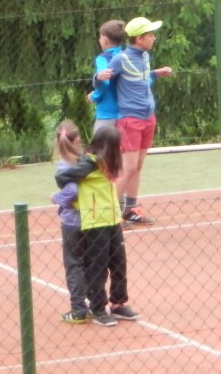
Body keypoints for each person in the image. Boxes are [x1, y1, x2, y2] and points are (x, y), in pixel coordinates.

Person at [54, 125, 140, 326]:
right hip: (95, 221)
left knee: (119, 263)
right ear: (108, 146)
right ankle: (98, 308)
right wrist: (63, 194)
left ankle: (118, 303)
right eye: (117, 145)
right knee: (98, 267)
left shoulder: (108, 162)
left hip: (112, 219)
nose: (120, 148)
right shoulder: (89, 162)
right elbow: (61, 177)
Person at [95, 15, 172, 226]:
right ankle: (110, 214)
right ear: (139, 39)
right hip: (130, 120)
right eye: (150, 35)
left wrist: (156, 73)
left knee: (137, 167)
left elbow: (140, 78)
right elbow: (104, 80)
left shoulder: (144, 57)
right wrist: (96, 80)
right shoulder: (120, 59)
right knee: (128, 168)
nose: (154, 38)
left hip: (148, 118)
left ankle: (130, 210)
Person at [50, 120, 91, 323]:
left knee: (74, 264)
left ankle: (78, 309)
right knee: (91, 263)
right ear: (78, 140)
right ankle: (96, 303)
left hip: (72, 221)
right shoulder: (86, 160)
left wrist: (56, 198)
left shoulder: (64, 165)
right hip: (91, 218)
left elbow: (71, 191)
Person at [89, 20, 125, 134]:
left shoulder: (102, 58)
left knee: (101, 144)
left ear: (104, 41)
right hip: (125, 114)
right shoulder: (127, 57)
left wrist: (94, 96)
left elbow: (105, 81)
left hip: (106, 114)